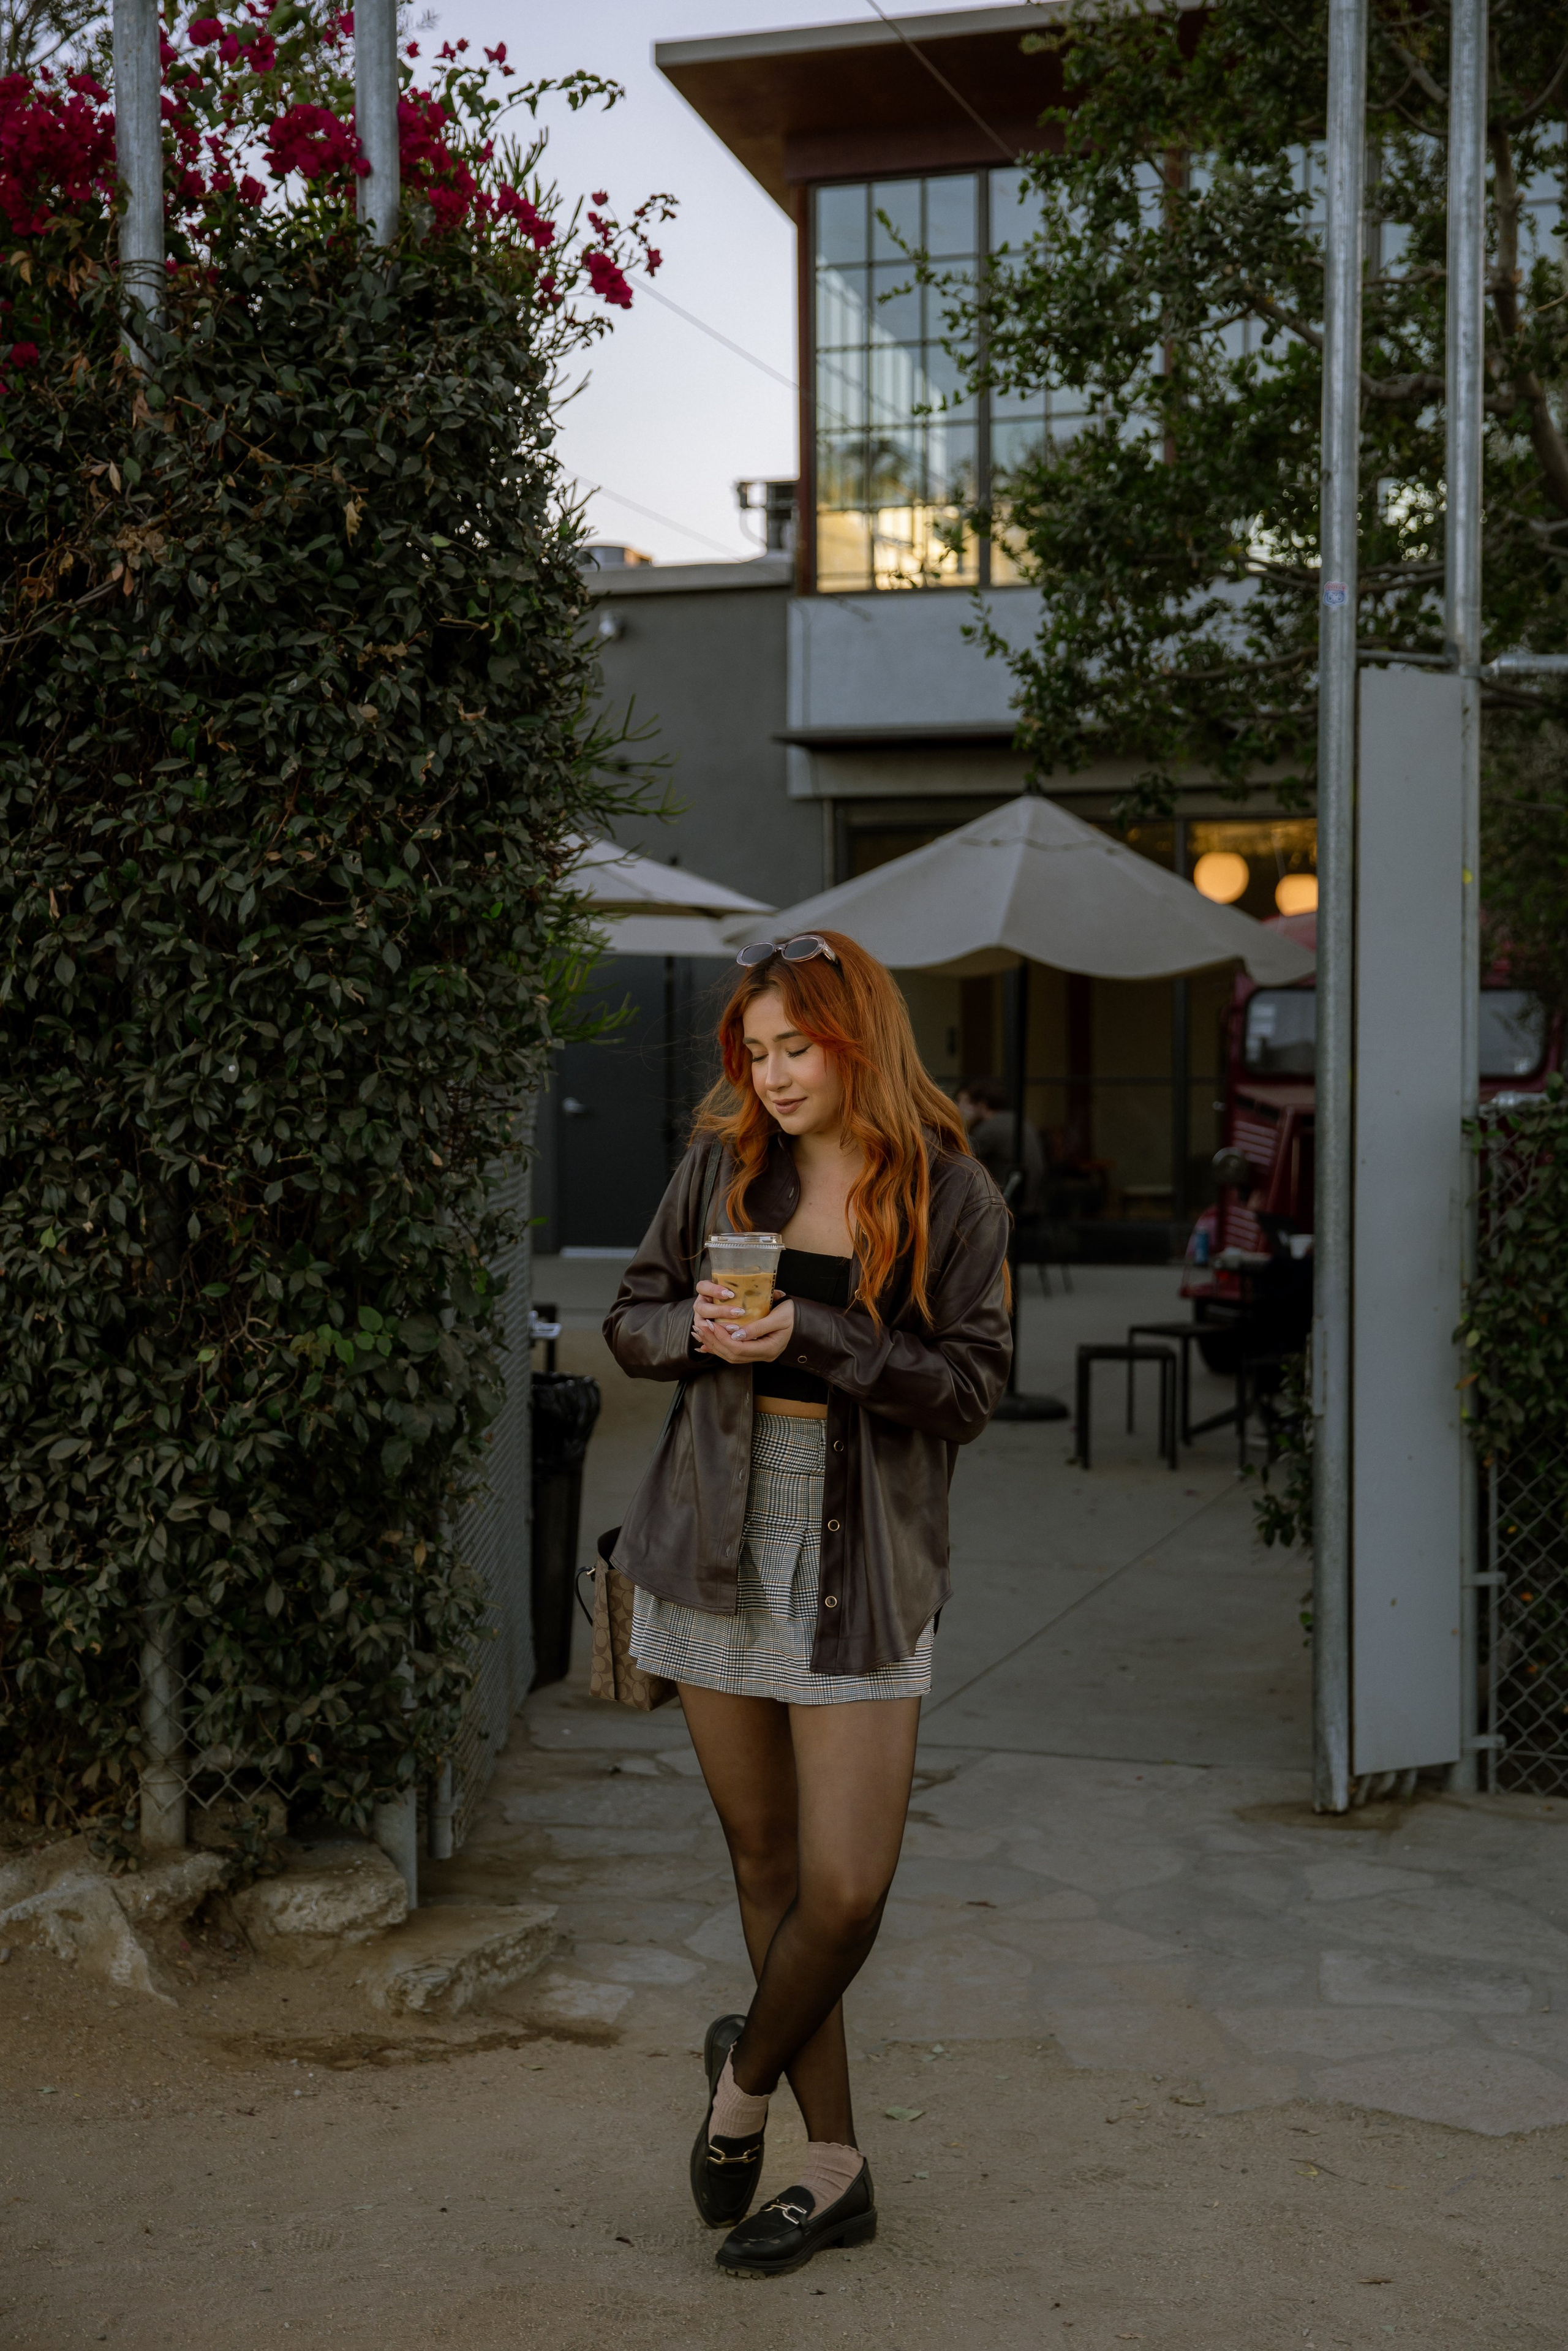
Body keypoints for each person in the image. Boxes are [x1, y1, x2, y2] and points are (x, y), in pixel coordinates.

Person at [604, 930, 1011, 2280]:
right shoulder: (724, 1170)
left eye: (796, 1046)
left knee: (840, 1892)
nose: (773, 1074)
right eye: (756, 1050)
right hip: (713, 1537)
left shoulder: (953, 1195)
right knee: (765, 1869)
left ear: (856, 1038)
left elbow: (966, 1390)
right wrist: (697, 1336)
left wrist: (816, 1337)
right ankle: (833, 2169)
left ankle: (742, 2081)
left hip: (862, 1561)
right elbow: (631, 1314)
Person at [956, 1074, 1045, 1214]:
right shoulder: (1016, 1120)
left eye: (965, 1103)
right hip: (1031, 1202)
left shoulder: (990, 1128)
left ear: (981, 1105)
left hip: (1006, 1205)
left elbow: (961, 1158)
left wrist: (963, 1124)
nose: (959, 1109)